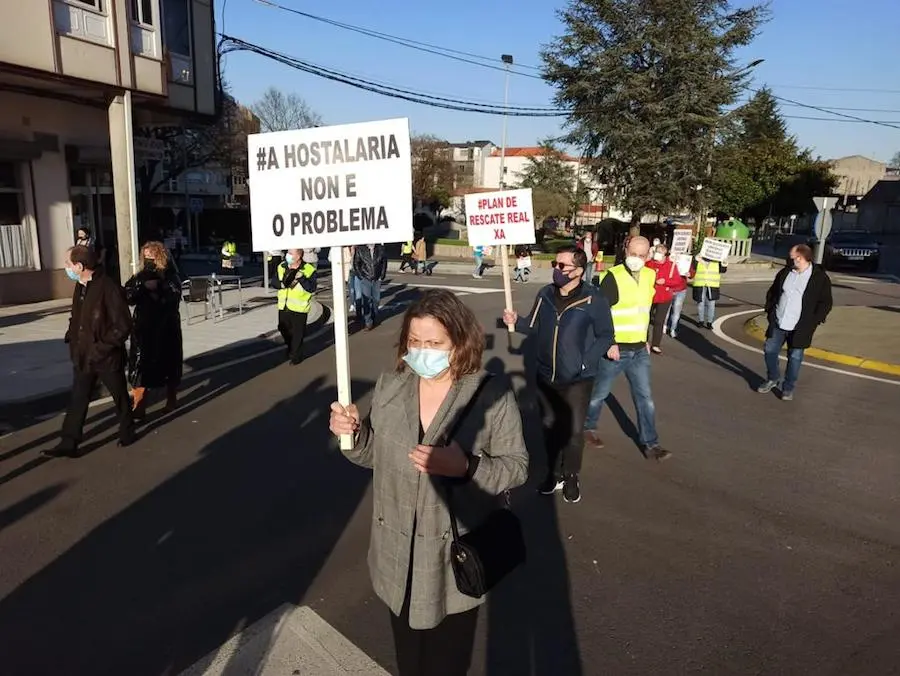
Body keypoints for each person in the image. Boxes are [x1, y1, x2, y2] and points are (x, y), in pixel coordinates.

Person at [329, 290, 528, 676]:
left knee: (445, 663)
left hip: (451, 557)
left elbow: (516, 467)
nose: (422, 351)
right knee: (409, 660)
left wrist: (466, 466)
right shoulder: (391, 386)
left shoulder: (491, 395)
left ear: (460, 341)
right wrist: (351, 434)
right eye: (415, 342)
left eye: (435, 343)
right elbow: (373, 455)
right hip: (395, 556)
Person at [503, 246, 614, 503]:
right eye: (555, 264)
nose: (557, 270)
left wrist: (586, 362)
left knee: (573, 432)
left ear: (578, 271)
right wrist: (515, 320)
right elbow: (532, 326)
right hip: (546, 375)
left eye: (562, 266)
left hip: (578, 379)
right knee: (549, 428)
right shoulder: (545, 294)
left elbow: (606, 335)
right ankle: (553, 473)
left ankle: (571, 474)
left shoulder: (593, 298)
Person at [585, 236, 671, 461]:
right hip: (616, 349)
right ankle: (586, 428)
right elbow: (600, 314)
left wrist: (646, 339)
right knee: (599, 393)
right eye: (633, 254)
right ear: (625, 250)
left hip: (639, 349)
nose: (637, 259)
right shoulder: (612, 277)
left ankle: (651, 444)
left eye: (642, 255)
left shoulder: (650, 275)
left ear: (648, 255)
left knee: (645, 398)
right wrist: (609, 341)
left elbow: (645, 311)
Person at [45, 246, 135, 458]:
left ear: (80, 266)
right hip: (83, 354)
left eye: (68, 264)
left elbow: (123, 325)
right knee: (78, 397)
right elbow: (76, 316)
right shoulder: (80, 286)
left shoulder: (108, 287)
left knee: (119, 395)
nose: (66, 267)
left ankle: (127, 431)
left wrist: (102, 347)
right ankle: (69, 442)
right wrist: (71, 335)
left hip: (105, 355)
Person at [757, 244, 833, 401]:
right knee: (770, 349)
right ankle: (773, 378)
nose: (788, 260)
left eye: (791, 257)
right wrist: (770, 310)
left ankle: (788, 388)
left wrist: (814, 321)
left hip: (801, 326)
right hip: (779, 320)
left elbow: (825, 302)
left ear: (800, 257)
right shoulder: (785, 273)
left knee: (795, 357)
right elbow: (773, 292)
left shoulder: (819, 277)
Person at [125, 241, 184, 419]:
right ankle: (139, 405)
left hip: (166, 325)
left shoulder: (170, 276)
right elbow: (128, 295)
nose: (149, 260)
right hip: (143, 326)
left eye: (152, 256)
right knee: (139, 365)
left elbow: (175, 295)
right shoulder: (140, 276)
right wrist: (141, 288)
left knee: (169, 363)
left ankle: (171, 399)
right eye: (146, 257)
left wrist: (160, 288)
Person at [277, 248, 318, 364]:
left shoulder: (309, 269)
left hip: (300, 307)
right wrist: (281, 284)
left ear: (298, 256)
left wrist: (301, 278)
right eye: (287, 253)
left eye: (290, 253)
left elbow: (312, 288)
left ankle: (295, 356)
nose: (287, 255)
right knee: (283, 328)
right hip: (284, 305)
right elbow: (274, 281)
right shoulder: (282, 266)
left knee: (298, 333)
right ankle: (291, 348)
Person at [645, 244, 680, 353]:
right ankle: (644, 341)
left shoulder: (671, 266)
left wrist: (665, 282)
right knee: (645, 319)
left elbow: (677, 281)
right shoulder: (649, 264)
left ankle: (655, 344)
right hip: (649, 295)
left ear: (665, 255)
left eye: (660, 252)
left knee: (659, 321)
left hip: (664, 297)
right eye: (657, 251)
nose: (657, 254)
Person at [689, 251, 727, 329]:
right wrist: (696, 259)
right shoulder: (699, 256)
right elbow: (693, 267)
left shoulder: (718, 258)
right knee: (700, 303)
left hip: (712, 284)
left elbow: (723, 270)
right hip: (700, 283)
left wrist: (724, 262)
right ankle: (701, 321)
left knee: (711, 304)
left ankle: (709, 322)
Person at [353, 243, 387, 330]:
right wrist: (361, 276)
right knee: (366, 300)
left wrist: (381, 276)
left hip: (377, 279)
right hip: (366, 278)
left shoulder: (380, 249)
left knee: (376, 300)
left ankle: (374, 317)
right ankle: (368, 322)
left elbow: (384, 262)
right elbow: (356, 264)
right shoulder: (360, 249)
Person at [664, 255, 689, 339]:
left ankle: (672, 329)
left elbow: (691, 271)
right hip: (670, 288)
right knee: (668, 310)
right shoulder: (669, 259)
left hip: (680, 289)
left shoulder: (686, 259)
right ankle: (666, 327)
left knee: (675, 311)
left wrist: (690, 273)